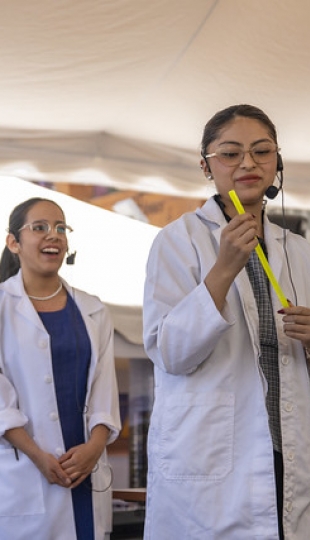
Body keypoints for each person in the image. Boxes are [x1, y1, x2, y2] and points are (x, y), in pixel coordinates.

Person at [143, 104, 310, 539]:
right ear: (206, 165)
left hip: (289, 456)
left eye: (262, 151)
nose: (248, 164)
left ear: (278, 163)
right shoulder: (177, 241)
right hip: (213, 463)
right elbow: (168, 353)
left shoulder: (299, 251)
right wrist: (222, 271)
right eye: (231, 153)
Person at [0, 197, 121, 540]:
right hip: (25, 471)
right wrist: (38, 455)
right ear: (14, 243)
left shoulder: (94, 310)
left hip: (87, 472)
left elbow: (104, 393)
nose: (52, 236)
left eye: (60, 228)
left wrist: (94, 449)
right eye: (39, 228)